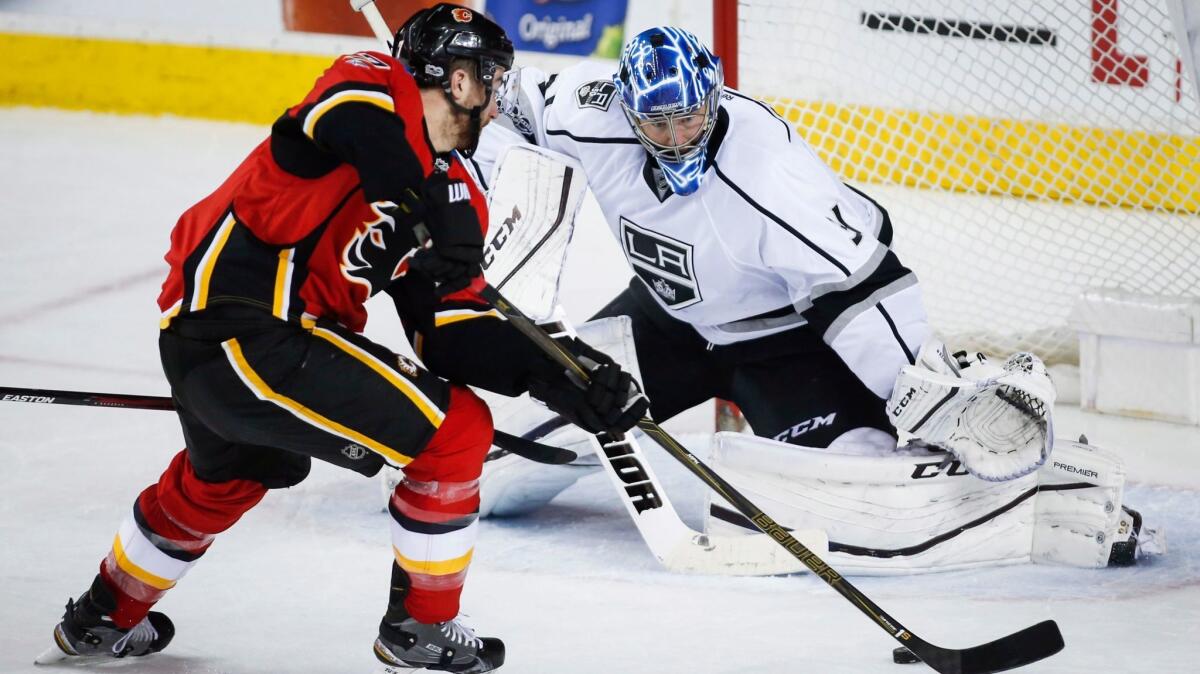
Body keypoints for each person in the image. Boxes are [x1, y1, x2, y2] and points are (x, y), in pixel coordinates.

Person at [38, 5, 645, 672]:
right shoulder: (372, 84)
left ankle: (101, 616)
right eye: (493, 82)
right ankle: (421, 625)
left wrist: (558, 374)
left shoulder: (458, 194)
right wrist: (427, 207)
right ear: (462, 80)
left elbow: (449, 333)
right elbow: (354, 126)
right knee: (456, 432)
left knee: (230, 477)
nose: (498, 102)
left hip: (243, 351)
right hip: (247, 327)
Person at [464, 27, 1159, 573]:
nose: (677, 137)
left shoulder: (769, 175)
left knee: (859, 491)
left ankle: (1039, 499)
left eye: (690, 117)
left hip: (783, 346)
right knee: (491, 467)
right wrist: (455, 161)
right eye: (659, 124)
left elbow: (863, 289)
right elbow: (497, 100)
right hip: (660, 324)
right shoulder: (590, 112)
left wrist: (916, 385)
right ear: (630, 112)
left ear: (715, 94)